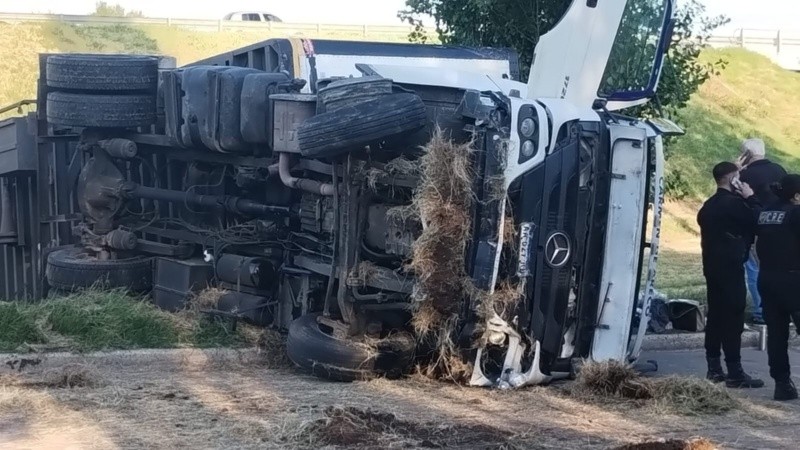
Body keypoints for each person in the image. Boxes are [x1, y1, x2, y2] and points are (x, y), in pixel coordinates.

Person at [697, 162, 764, 388]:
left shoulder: (708, 206)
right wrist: (751, 197)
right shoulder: (735, 204)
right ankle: (735, 372)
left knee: (715, 316)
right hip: (731, 266)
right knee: (734, 317)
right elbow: (758, 220)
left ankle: (714, 368)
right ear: (732, 179)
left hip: (711, 267)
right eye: (738, 178)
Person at [755, 174, 800, 401]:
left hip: (767, 277)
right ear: (796, 196)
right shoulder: (796, 213)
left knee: (776, 334)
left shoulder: (766, 212)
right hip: (793, 279)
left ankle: (782, 384)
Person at [737, 138, 787, 325]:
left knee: (753, 269)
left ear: (746, 155)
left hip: (754, 228)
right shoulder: (779, 170)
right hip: (780, 226)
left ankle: (761, 311)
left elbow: (734, 199)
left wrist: (736, 170)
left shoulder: (745, 175)